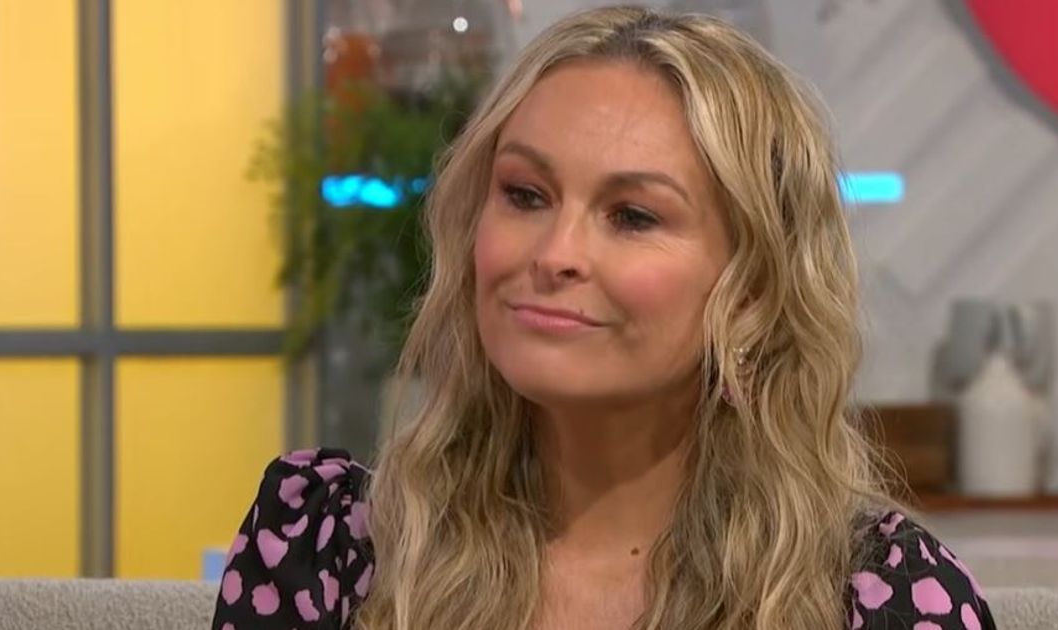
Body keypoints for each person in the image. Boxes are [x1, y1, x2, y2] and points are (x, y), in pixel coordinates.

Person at [212, 6, 996, 630]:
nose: (555, 254)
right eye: (525, 195)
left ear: (753, 288)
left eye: (632, 215)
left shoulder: (881, 600)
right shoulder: (322, 550)